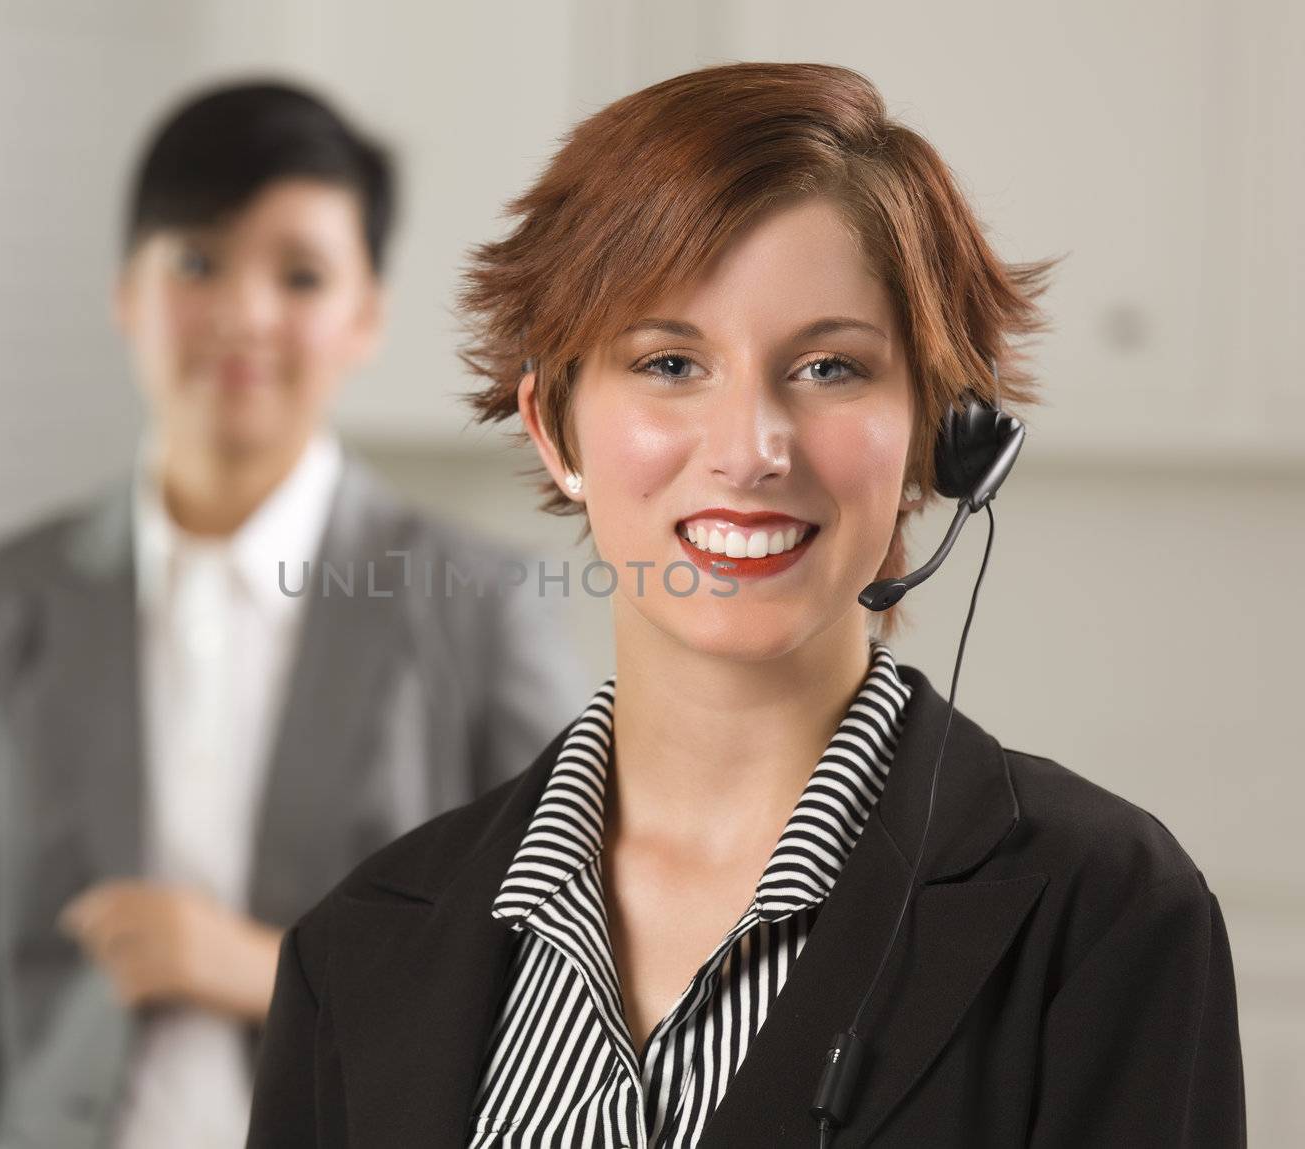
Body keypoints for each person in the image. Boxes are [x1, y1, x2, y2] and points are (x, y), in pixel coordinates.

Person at [248, 63, 1246, 1147]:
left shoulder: (1102, 916)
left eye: (828, 368)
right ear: (554, 428)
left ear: (938, 433)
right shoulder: (354, 953)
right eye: (671, 362)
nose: (751, 449)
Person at [0, 81, 586, 1148]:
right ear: (125, 291)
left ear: (367, 313)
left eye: (299, 274)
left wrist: (260, 967)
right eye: (197, 261)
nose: (244, 312)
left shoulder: (479, 608)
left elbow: (559, 995)